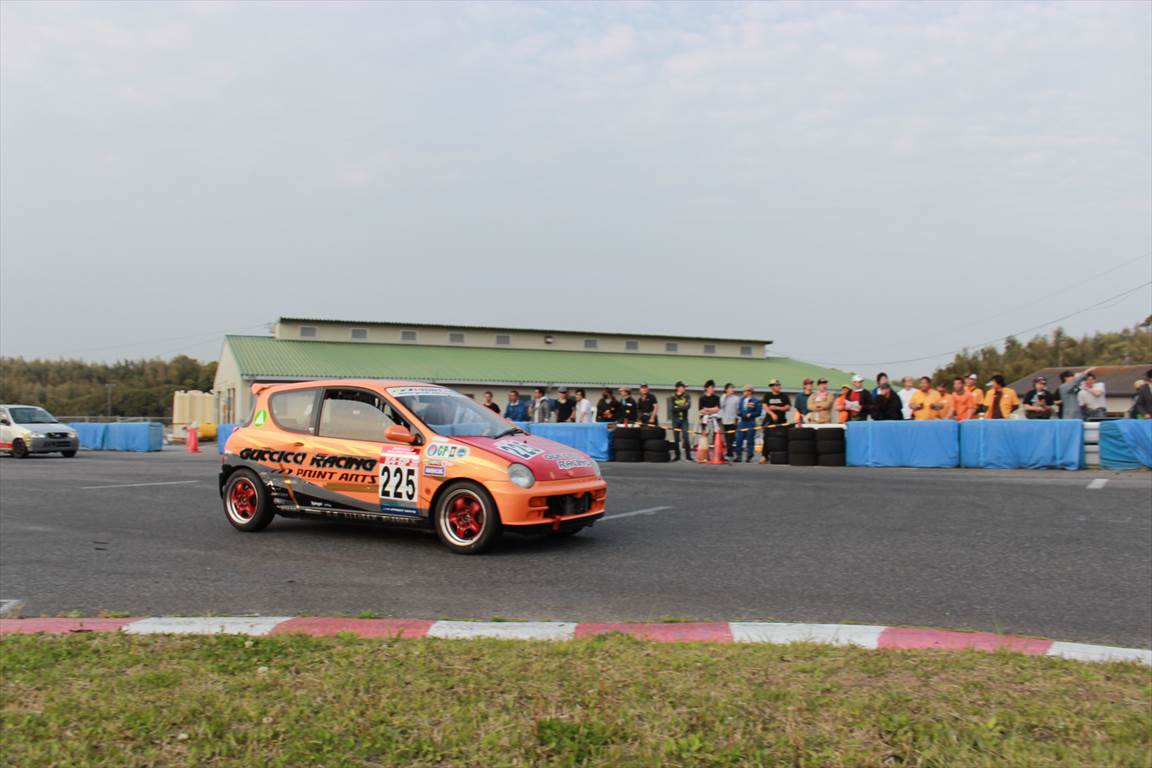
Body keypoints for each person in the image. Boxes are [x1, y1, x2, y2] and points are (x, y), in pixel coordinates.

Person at [667, 381, 693, 461]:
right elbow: (672, 408)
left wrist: (678, 407)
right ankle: (677, 456)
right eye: (682, 387)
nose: (684, 388)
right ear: (678, 388)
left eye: (684, 387)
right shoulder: (673, 397)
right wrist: (682, 407)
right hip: (675, 419)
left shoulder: (687, 396)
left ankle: (688, 456)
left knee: (686, 437)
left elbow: (688, 406)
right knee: (676, 438)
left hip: (684, 420)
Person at [733, 385, 760, 462]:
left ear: (750, 392)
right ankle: (738, 456)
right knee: (739, 439)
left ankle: (749, 455)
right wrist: (739, 413)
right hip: (742, 421)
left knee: (750, 440)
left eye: (745, 391)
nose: (743, 392)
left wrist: (751, 414)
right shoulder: (741, 400)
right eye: (743, 391)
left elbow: (758, 412)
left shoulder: (756, 401)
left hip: (751, 422)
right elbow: (739, 410)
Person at [697, 380, 721, 447]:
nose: (712, 389)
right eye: (711, 387)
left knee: (716, 432)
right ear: (707, 388)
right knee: (704, 434)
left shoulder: (716, 398)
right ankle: (704, 449)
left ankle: (714, 446)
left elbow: (717, 409)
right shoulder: (702, 398)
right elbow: (701, 410)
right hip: (705, 421)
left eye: (713, 387)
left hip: (714, 420)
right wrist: (711, 410)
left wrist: (707, 409)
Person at [719, 383, 740, 458]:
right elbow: (721, 406)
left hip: (733, 420)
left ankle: (730, 453)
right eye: (730, 388)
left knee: (731, 438)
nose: (732, 389)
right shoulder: (723, 397)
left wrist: (738, 418)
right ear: (726, 389)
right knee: (727, 438)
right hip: (725, 420)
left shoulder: (736, 398)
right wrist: (726, 396)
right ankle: (729, 453)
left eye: (733, 388)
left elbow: (738, 409)